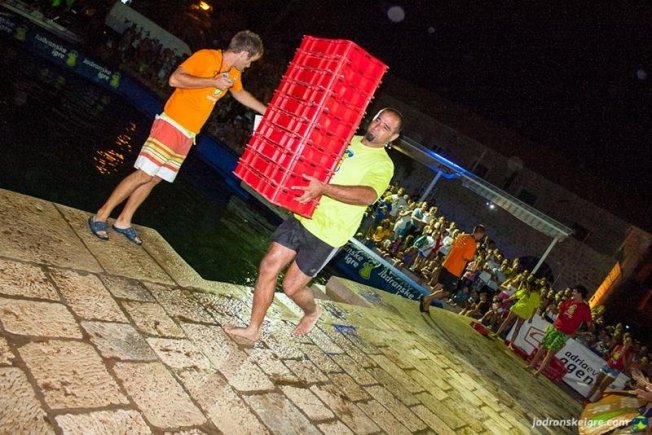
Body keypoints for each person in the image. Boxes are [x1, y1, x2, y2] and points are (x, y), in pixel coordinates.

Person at [225, 108, 403, 341]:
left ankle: (312, 312)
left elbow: (368, 195)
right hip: (303, 214)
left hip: (329, 232)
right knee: (268, 266)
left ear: (392, 137)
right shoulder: (348, 138)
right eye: (378, 120)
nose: (377, 126)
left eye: (385, 127)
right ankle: (253, 329)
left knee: (291, 288)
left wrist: (324, 189)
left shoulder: (383, 165)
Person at [88, 31, 267, 244]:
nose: (249, 65)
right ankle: (101, 215)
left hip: (188, 134)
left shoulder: (234, 72)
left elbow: (239, 93)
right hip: (172, 124)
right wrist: (212, 81)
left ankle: (124, 220)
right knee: (144, 174)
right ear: (244, 53)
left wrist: (267, 112)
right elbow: (174, 79)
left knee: (155, 178)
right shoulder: (206, 57)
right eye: (251, 61)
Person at [528, 285, 594, 376]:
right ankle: (531, 365)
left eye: (575, 292)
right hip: (556, 327)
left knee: (551, 352)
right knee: (543, 346)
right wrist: (554, 309)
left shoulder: (585, 308)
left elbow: (589, 323)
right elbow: (560, 312)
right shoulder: (569, 301)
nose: (573, 293)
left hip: (565, 333)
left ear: (580, 293)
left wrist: (587, 332)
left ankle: (538, 371)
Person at [419, 225, 486, 312]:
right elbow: (466, 257)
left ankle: (426, 304)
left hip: (447, 263)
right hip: (455, 270)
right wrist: (474, 258)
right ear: (479, 233)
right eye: (482, 235)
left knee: (439, 285)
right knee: (446, 292)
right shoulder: (473, 244)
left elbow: (452, 247)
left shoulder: (462, 236)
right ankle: (427, 298)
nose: (482, 237)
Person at [587, 335, 634, 402]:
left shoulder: (630, 354)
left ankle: (592, 403)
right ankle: (586, 399)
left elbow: (626, 367)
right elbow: (611, 356)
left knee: (602, 386)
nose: (627, 342)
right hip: (608, 365)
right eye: (626, 340)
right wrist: (615, 354)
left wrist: (623, 355)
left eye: (629, 341)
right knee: (597, 383)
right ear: (624, 341)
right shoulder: (618, 347)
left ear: (631, 344)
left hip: (615, 371)